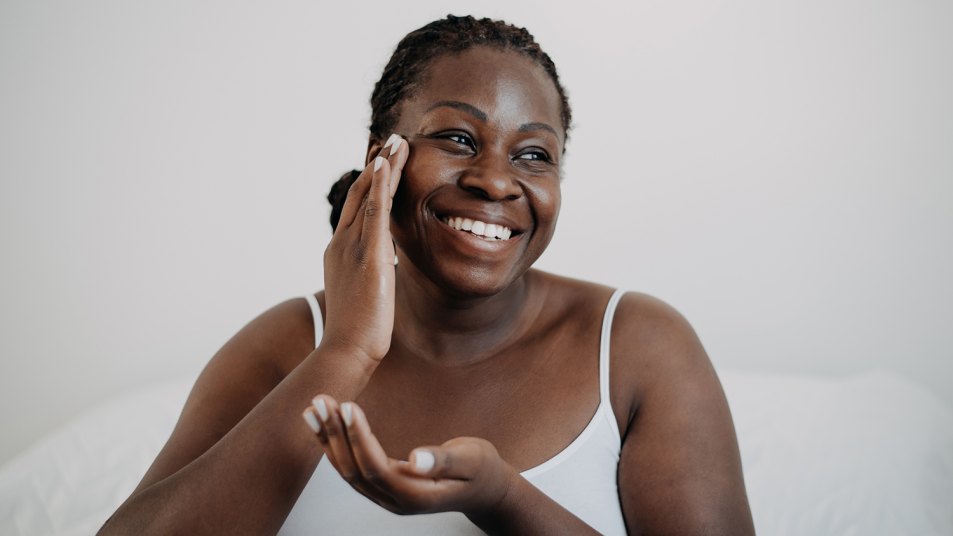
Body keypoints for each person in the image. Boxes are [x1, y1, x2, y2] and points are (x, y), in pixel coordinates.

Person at [100, 15, 754, 535]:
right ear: (380, 157)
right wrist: (347, 350)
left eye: (533, 154)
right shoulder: (284, 344)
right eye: (459, 139)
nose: (496, 180)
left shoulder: (637, 345)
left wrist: (502, 499)